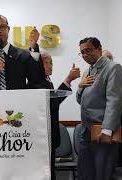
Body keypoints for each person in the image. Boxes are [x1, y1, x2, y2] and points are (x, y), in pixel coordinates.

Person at [76, 37, 122, 180]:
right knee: (85, 173)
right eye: (82, 52)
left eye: (88, 50)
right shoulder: (86, 72)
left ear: (99, 49)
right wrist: (80, 86)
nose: (85, 55)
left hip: (102, 131)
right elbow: (81, 100)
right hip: (86, 130)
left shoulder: (113, 68)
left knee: (102, 174)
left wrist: (107, 130)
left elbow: (115, 100)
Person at [40, 51, 80, 180]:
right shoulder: (37, 83)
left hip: (50, 137)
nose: (50, 66)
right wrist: (68, 79)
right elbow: (52, 105)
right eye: (46, 62)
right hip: (43, 138)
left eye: (51, 62)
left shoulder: (47, 80)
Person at [102, 50, 122, 167]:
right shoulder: (95, 78)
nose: (109, 60)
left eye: (110, 58)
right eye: (106, 58)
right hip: (104, 124)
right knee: (108, 159)